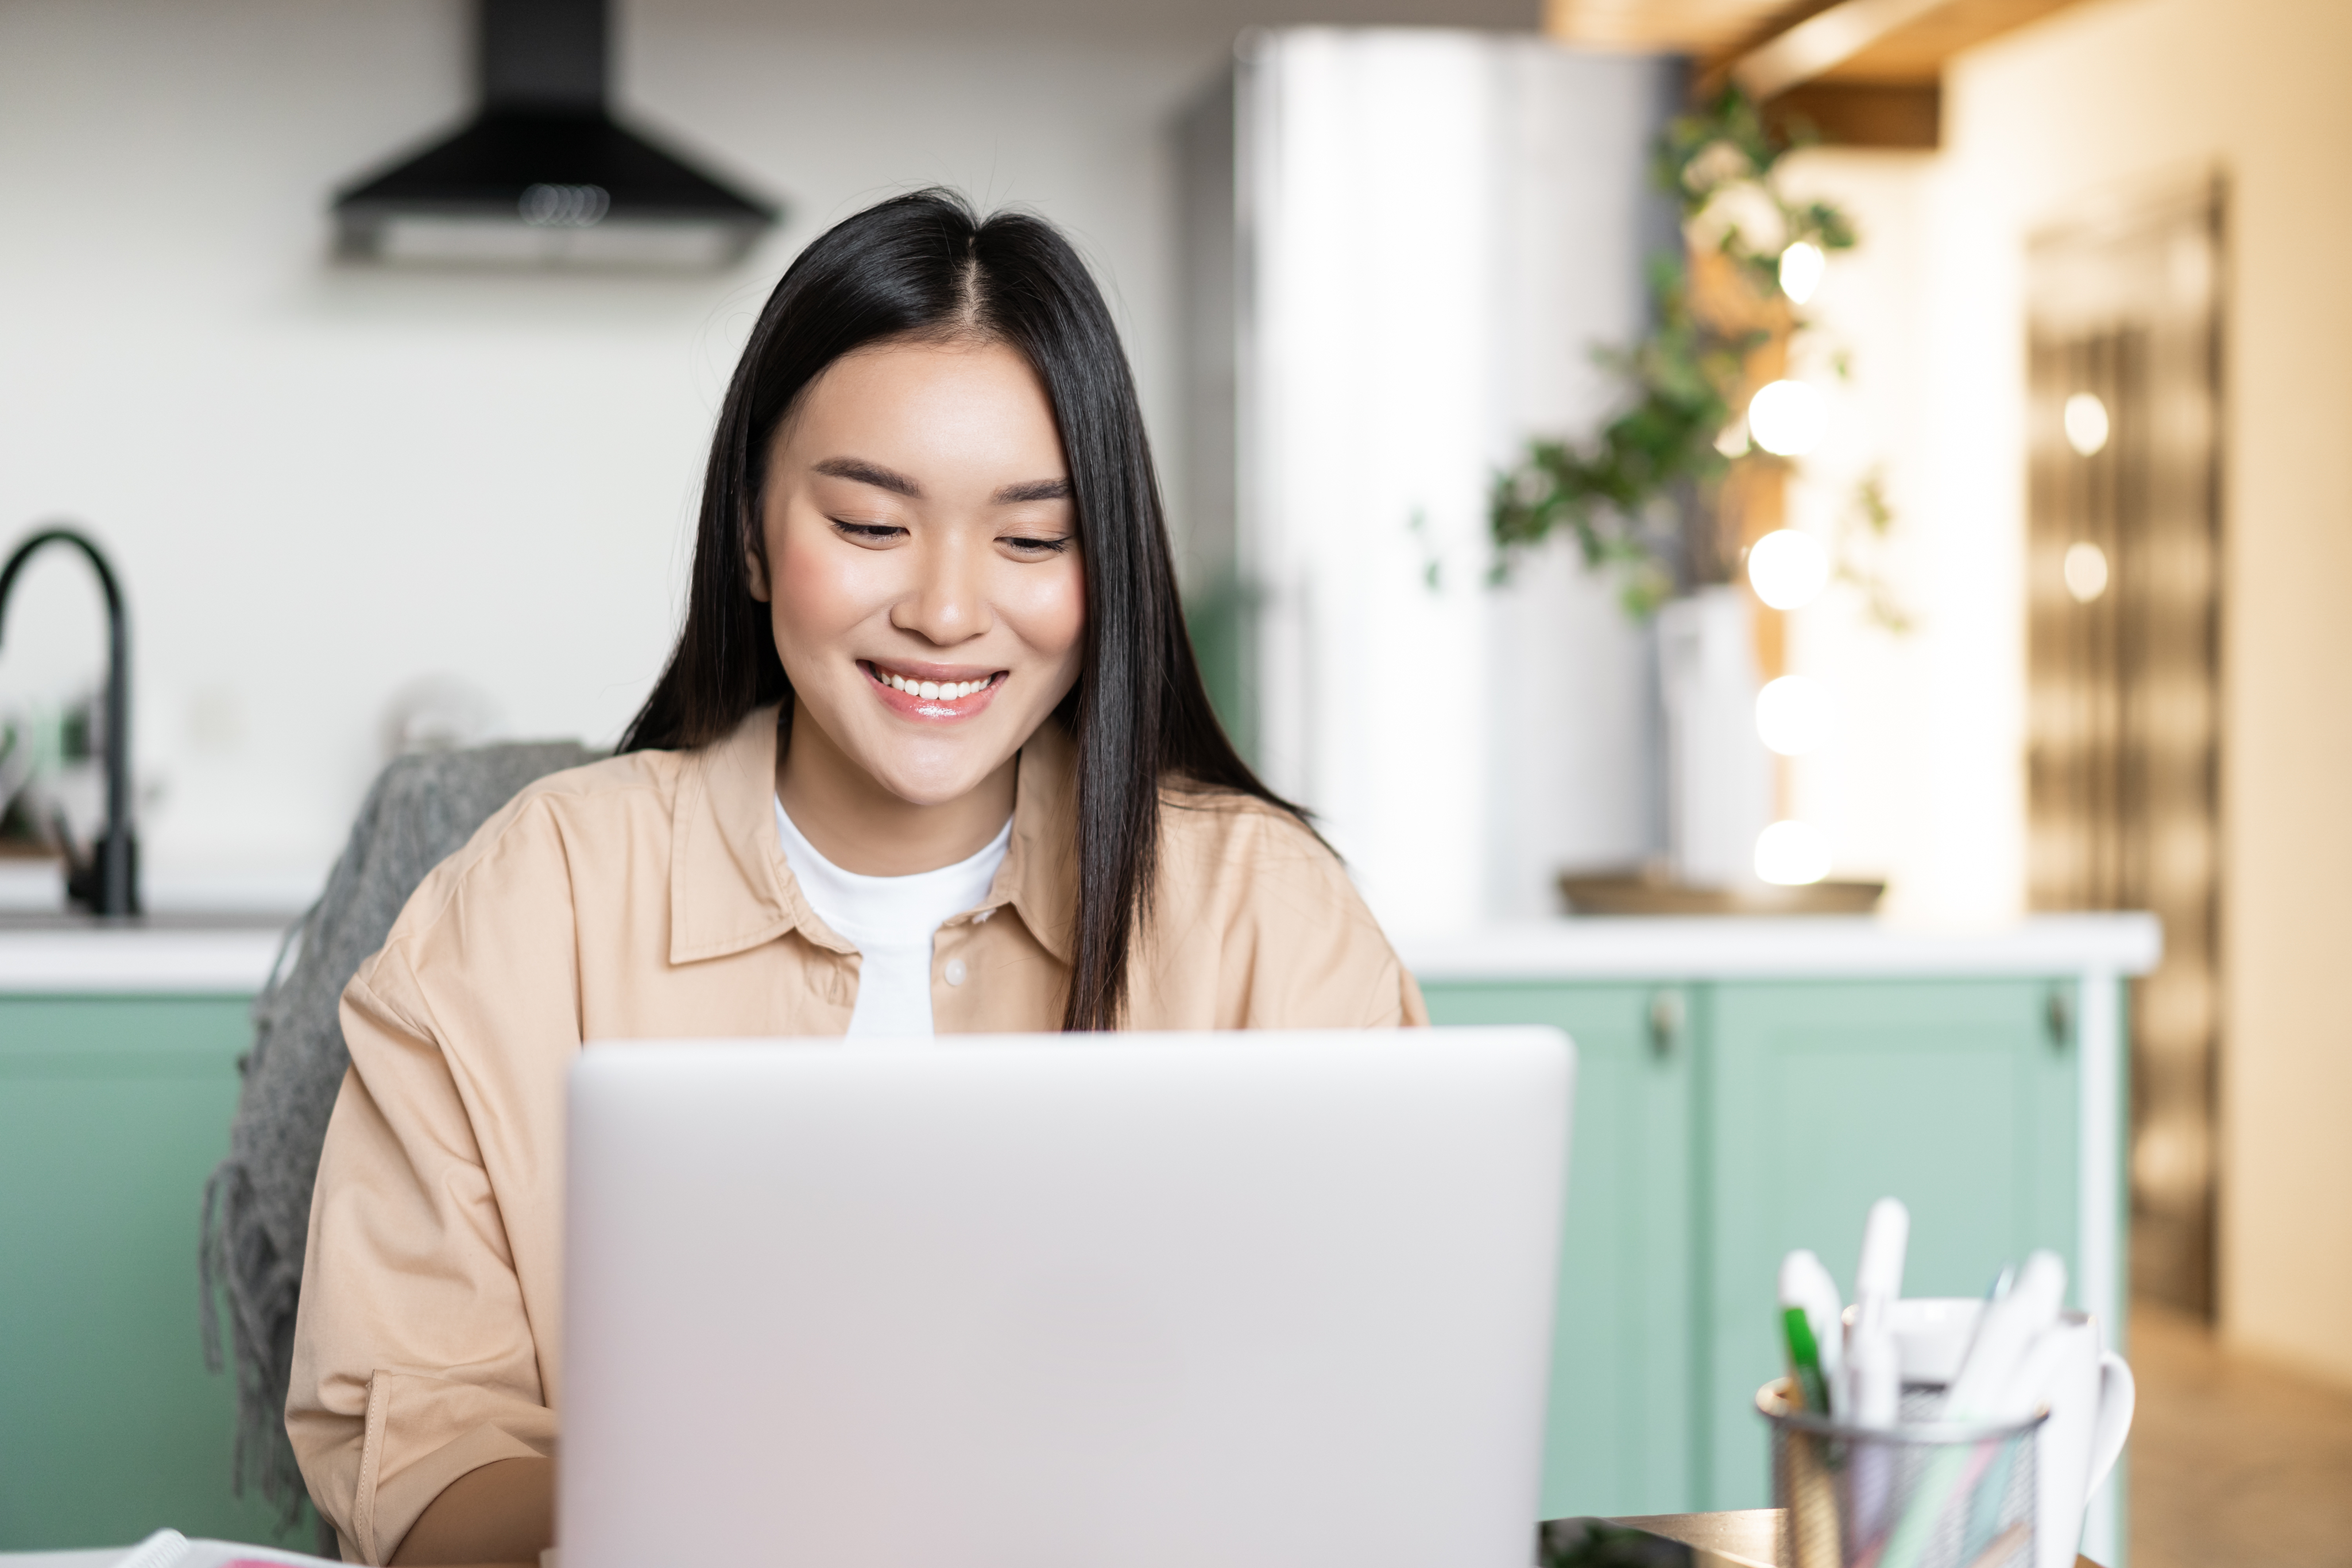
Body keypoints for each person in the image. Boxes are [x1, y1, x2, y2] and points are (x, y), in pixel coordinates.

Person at [287, 189, 1426, 1567]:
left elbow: (1378, 1434)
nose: (948, 610)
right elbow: (415, 1463)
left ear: (1103, 566)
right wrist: (695, 1503)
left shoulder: (1267, 919)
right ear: (757, 542)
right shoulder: (533, 899)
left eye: (1030, 539)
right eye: (871, 526)